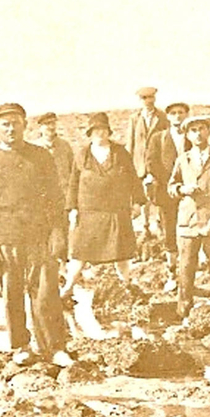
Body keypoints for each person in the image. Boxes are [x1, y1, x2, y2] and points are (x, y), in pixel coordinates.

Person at [0, 102, 72, 369]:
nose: (11, 128)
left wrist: (58, 233)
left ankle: (54, 348)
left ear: (25, 125)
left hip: (40, 236)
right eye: (5, 124)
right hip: (7, 237)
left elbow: (55, 197)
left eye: (16, 122)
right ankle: (21, 346)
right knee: (12, 294)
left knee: (47, 294)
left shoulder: (41, 156)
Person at [66, 112, 145, 291]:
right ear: (90, 133)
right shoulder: (82, 154)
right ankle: (68, 288)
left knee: (122, 254)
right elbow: (73, 183)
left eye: (103, 130)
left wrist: (138, 203)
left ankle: (125, 284)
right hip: (89, 213)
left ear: (108, 132)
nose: (100, 133)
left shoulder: (120, 152)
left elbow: (133, 178)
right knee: (80, 254)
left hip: (116, 212)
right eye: (96, 130)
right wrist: (72, 209)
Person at [168, 115, 210, 318]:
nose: (198, 134)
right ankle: (184, 311)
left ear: (208, 131)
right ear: (188, 134)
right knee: (186, 267)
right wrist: (182, 189)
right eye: (194, 130)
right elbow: (171, 187)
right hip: (188, 222)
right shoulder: (183, 159)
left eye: (202, 129)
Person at [145, 102, 190, 291]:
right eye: (173, 113)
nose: (177, 116)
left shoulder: (193, 136)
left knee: (192, 230)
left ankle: (190, 273)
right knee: (169, 232)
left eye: (181, 113)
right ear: (168, 117)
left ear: (187, 115)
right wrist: (170, 183)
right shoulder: (159, 138)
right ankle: (172, 273)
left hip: (190, 190)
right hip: (166, 191)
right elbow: (151, 163)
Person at [32, 112, 76, 266]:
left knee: (63, 230)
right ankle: (45, 266)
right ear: (41, 127)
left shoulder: (64, 146)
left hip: (62, 196)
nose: (51, 127)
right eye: (47, 124)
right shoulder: (34, 147)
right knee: (44, 230)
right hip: (42, 198)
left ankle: (63, 265)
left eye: (53, 123)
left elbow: (73, 172)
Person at [128, 88, 167, 232]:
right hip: (139, 163)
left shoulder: (162, 117)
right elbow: (131, 142)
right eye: (144, 98)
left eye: (150, 97)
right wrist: (129, 162)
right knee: (142, 194)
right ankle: (145, 225)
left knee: (156, 193)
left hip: (157, 162)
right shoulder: (135, 118)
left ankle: (158, 221)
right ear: (140, 100)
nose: (148, 101)